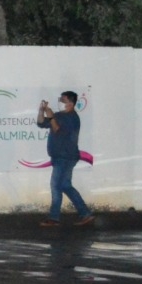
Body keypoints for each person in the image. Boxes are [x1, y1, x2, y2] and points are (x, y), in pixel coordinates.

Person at [37, 91, 94, 228]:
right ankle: (85, 213)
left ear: (71, 103)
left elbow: (57, 130)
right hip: (60, 157)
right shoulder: (59, 115)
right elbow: (40, 123)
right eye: (60, 99)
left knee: (56, 186)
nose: (60, 102)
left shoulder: (73, 118)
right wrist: (41, 111)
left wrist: (51, 118)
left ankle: (54, 218)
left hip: (66, 157)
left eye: (63, 100)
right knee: (65, 186)